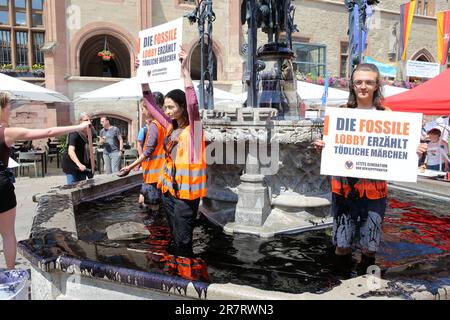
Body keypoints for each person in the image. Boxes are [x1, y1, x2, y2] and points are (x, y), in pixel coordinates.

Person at [314, 64, 427, 275]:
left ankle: (366, 288)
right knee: (342, 244)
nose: (363, 86)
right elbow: (330, 151)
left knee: (370, 247)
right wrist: (321, 147)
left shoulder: (388, 114)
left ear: (376, 85)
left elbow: (401, 149)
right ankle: (339, 287)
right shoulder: (340, 114)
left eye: (368, 82)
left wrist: (416, 150)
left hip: (374, 191)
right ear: (352, 85)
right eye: (358, 82)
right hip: (343, 189)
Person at [0, 91, 91, 269]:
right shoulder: (7, 132)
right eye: (9, 106)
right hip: (1, 186)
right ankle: (10, 273)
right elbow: (48, 131)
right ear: (2, 108)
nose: (10, 110)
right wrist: (78, 127)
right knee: (8, 233)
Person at [140, 47, 207, 257]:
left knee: (183, 239)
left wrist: (185, 70)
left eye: (170, 107)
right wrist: (142, 78)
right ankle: (177, 271)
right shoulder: (170, 127)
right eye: (166, 108)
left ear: (181, 106)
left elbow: (194, 104)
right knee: (174, 236)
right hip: (168, 192)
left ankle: (187, 278)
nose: (167, 111)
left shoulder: (194, 129)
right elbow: (150, 104)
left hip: (186, 196)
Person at [119, 96, 166, 212]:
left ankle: (156, 230)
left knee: (153, 209)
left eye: (143, 108)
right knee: (142, 201)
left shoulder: (155, 125)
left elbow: (148, 151)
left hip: (154, 175)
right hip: (158, 173)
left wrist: (130, 166)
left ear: (150, 108)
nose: (143, 112)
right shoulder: (164, 123)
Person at [61, 112, 96, 185]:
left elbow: (91, 146)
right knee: (73, 188)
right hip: (71, 164)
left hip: (83, 163)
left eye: (90, 120)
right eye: (86, 120)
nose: (89, 122)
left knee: (83, 186)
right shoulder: (75, 133)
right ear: (80, 122)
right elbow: (71, 151)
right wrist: (79, 164)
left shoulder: (91, 130)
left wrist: (92, 163)